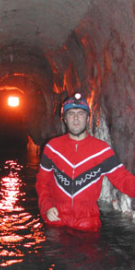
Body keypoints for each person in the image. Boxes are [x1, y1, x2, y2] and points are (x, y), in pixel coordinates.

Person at [36, 93, 135, 232]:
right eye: (71, 114)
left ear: (88, 118)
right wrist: (46, 206)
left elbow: (122, 179)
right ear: (64, 119)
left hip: (87, 225)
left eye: (81, 113)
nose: (76, 118)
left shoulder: (101, 150)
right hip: (56, 221)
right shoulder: (52, 148)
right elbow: (42, 182)